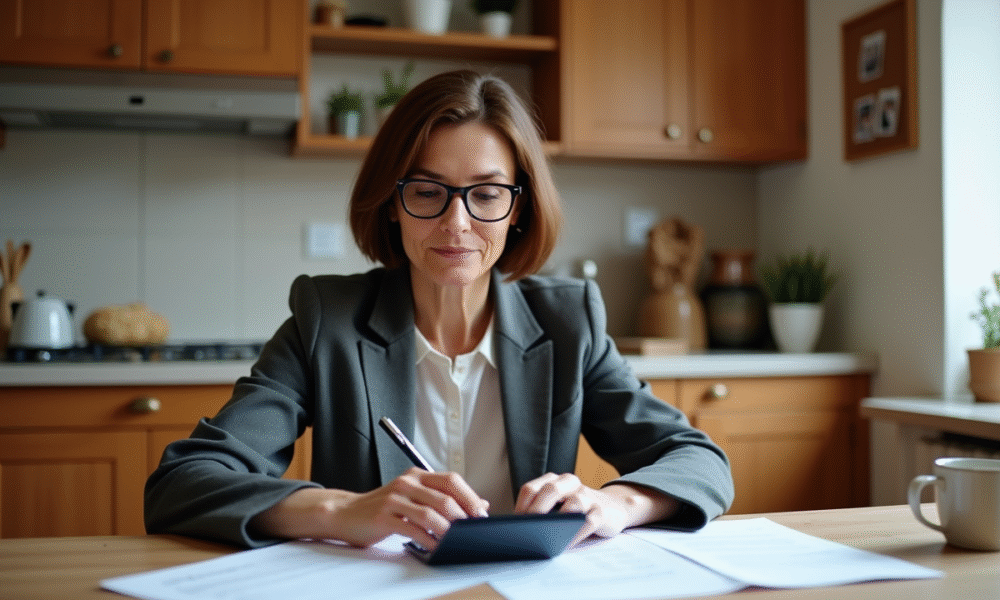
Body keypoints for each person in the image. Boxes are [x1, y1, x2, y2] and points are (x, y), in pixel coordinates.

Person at [144, 70, 734, 550]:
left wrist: (615, 503)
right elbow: (182, 483)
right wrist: (340, 510)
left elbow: (698, 461)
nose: (457, 224)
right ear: (392, 205)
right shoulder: (328, 319)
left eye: (486, 193)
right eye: (427, 191)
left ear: (518, 210)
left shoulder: (568, 321)